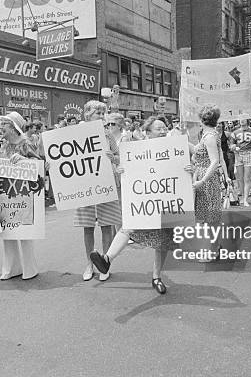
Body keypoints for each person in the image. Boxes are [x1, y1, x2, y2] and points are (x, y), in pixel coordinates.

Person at [90, 117, 195, 294]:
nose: (162, 131)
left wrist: (189, 170)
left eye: (164, 128)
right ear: (147, 132)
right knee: (129, 227)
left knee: (162, 241)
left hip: (166, 202)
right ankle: (106, 260)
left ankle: (156, 277)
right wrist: (120, 168)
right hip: (144, 201)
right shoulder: (136, 151)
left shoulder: (174, 148)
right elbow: (125, 167)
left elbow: (189, 164)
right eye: (158, 129)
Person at [74, 101, 121, 282]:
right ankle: (89, 264)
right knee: (87, 226)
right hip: (85, 185)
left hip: (105, 183)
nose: (102, 116)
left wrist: (113, 157)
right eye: (98, 113)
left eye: (103, 113)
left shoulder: (107, 134)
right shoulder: (75, 134)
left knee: (106, 224)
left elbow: (118, 157)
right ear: (87, 115)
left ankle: (104, 263)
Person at [0, 112, 41, 280]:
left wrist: (23, 159)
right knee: (7, 232)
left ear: (14, 127)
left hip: (23, 192)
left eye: (4, 125)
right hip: (5, 192)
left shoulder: (26, 143)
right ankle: (11, 268)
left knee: (24, 231)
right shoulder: (2, 145)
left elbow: (40, 165)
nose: (1, 129)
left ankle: (30, 268)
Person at [193, 106, 230, 257]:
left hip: (206, 178)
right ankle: (214, 246)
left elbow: (215, 161)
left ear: (202, 119)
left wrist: (202, 180)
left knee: (210, 216)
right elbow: (219, 158)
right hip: (206, 176)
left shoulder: (209, 137)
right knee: (208, 216)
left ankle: (213, 249)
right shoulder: (212, 134)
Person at [232, 118, 251, 206]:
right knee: (240, 177)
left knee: (247, 178)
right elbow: (231, 144)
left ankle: (245, 198)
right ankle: (243, 196)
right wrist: (234, 147)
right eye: (240, 119)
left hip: (249, 153)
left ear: (247, 120)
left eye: (244, 119)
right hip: (238, 154)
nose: (242, 120)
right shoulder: (235, 132)